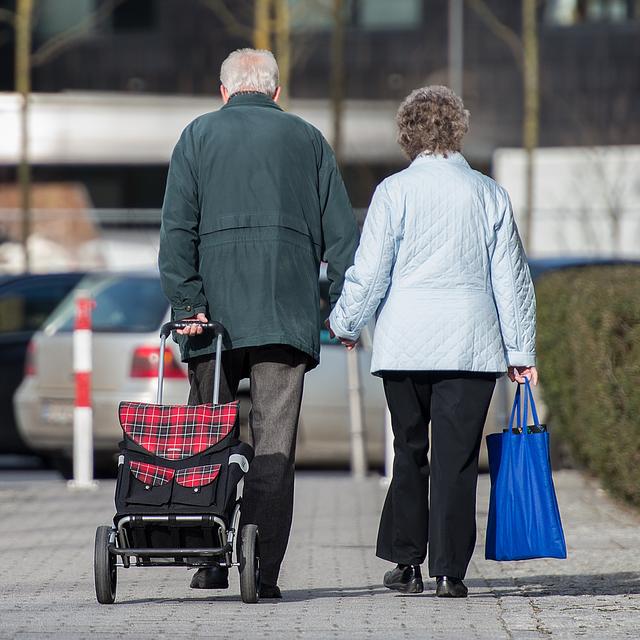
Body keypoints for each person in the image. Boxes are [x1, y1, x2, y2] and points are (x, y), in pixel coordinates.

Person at [158, 48, 358, 598]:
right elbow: (343, 239)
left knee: (209, 436)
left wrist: (187, 303)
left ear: (224, 92)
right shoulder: (309, 140)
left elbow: (176, 232)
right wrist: (340, 309)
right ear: (275, 92)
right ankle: (262, 569)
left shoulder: (197, 137)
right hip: (284, 318)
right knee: (275, 445)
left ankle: (209, 557)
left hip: (211, 325)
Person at [327, 86, 537, 598]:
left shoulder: (394, 192)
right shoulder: (488, 192)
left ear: (407, 132)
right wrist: (520, 351)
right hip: (471, 344)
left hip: (406, 344)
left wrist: (346, 323)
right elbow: (511, 279)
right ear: (458, 129)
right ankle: (449, 572)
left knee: (410, 451)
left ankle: (407, 563)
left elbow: (371, 269)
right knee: (457, 459)